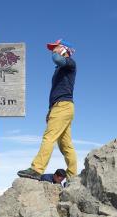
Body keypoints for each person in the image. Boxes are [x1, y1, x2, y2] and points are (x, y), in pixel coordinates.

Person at [18, 39, 77, 180]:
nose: (52, 51)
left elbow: (57, 58)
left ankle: (36, 169)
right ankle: (73, 176)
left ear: (64, 49)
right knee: (65, 145)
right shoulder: (60, 69)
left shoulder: (70, 64)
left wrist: (59, 52)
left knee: (48, 138)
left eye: (55, 48)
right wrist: (50, 110)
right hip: (61, 107)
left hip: (63, 106)